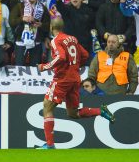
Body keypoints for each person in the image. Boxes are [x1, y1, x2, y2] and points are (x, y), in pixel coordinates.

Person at [37, 18, 115, 149]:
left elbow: (60, 57)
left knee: (47, 106)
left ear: (51, 28)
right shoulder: (72, 39)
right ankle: (100, 111)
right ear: (63, 27)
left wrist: (44, 66)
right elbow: (84, 55)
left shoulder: (56, 40)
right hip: (75, 78)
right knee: (73, 113)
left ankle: (50, 145)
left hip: (62, 79)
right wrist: (74, 66)